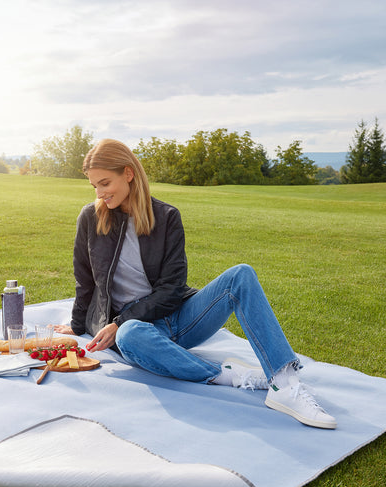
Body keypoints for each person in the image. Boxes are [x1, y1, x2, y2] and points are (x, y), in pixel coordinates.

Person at [54, 139, 336, 429]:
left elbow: (172, 288)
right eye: (94, 186)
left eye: (105, 183)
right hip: (138, 331)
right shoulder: (90, 218)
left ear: (128, 173)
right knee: (128, 334)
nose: (100, 193)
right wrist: (79, 325)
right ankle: (229, 375)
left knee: (241, 274)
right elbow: (85, 279)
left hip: (179, 318)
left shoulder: (167, 217)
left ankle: (284, 383)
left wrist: (120, 322)